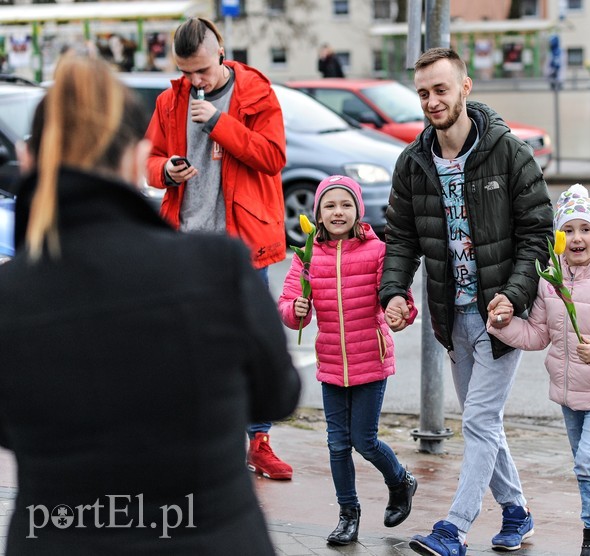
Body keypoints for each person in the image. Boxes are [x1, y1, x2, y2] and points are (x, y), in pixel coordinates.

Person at [0, 53, 301, 555]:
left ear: (30, 159)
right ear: (133, 157)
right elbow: (277, 395)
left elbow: (10, 429)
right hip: (211, 535)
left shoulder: (11, 296)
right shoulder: (217, 267)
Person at [378, 47, 554, 555]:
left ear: (465, 87)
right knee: (485, 421)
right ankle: (517, 513)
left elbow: (537, 233)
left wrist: (514, 296)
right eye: (424, 93)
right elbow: (402, 238)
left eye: (441, 89)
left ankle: (454, 528)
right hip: (450, 317)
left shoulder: (507, 152)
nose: (433, 101)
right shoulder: (413, 163)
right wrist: (393, 292)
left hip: (501, 316)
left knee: (477, 420)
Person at [144, 17, 293, 481]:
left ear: (222, 52)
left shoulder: (256, 94)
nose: (195, 82)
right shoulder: (170, 100)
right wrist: (165, 170)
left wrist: (222, 124)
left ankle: (259, 441)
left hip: (242, 245)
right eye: (187, 73)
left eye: (203, 71)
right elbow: (145, 158)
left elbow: (272, 157)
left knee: (252, 342)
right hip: (186, 241)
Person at [488, 184, 590, 556]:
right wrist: (501, 323)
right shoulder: (549, 280)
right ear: (558, 239)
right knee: (583, 464)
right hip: (569, 392)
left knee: (588, 459)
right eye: (568, 231)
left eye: (585, 229)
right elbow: (538, 334)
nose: (577, 238)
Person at [278, 175, 418, 546]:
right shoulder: (308, 254)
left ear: (358, 210)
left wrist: (400, 311)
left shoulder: (377, 251)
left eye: (345, 204)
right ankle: (347, 514)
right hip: (330, 363)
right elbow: (290, 304)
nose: (338, 212)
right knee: (337, 443)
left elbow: (397, 294)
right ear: (318, 214)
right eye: (330, 206)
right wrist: (296, 309)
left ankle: (400, 481)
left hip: (370, 357)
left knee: (364, 440)